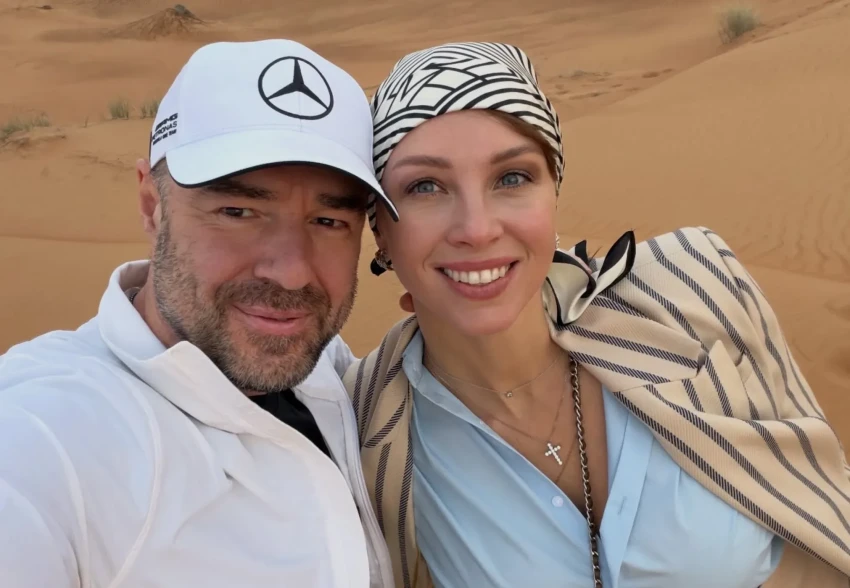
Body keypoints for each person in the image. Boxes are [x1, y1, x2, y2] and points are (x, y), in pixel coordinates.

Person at [343, 41, 850, 588]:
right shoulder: (362, 426)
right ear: (381, 230)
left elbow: (820, 495)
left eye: (512, 178)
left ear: (553, 193)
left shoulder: (694, 289)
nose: (477, 228)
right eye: (425, 187)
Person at [0, 39, 400, 588]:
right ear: (152, 206)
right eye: (237, 211)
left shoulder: (329, 371)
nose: (292, 273)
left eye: (329, 221)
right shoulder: (46, 436)